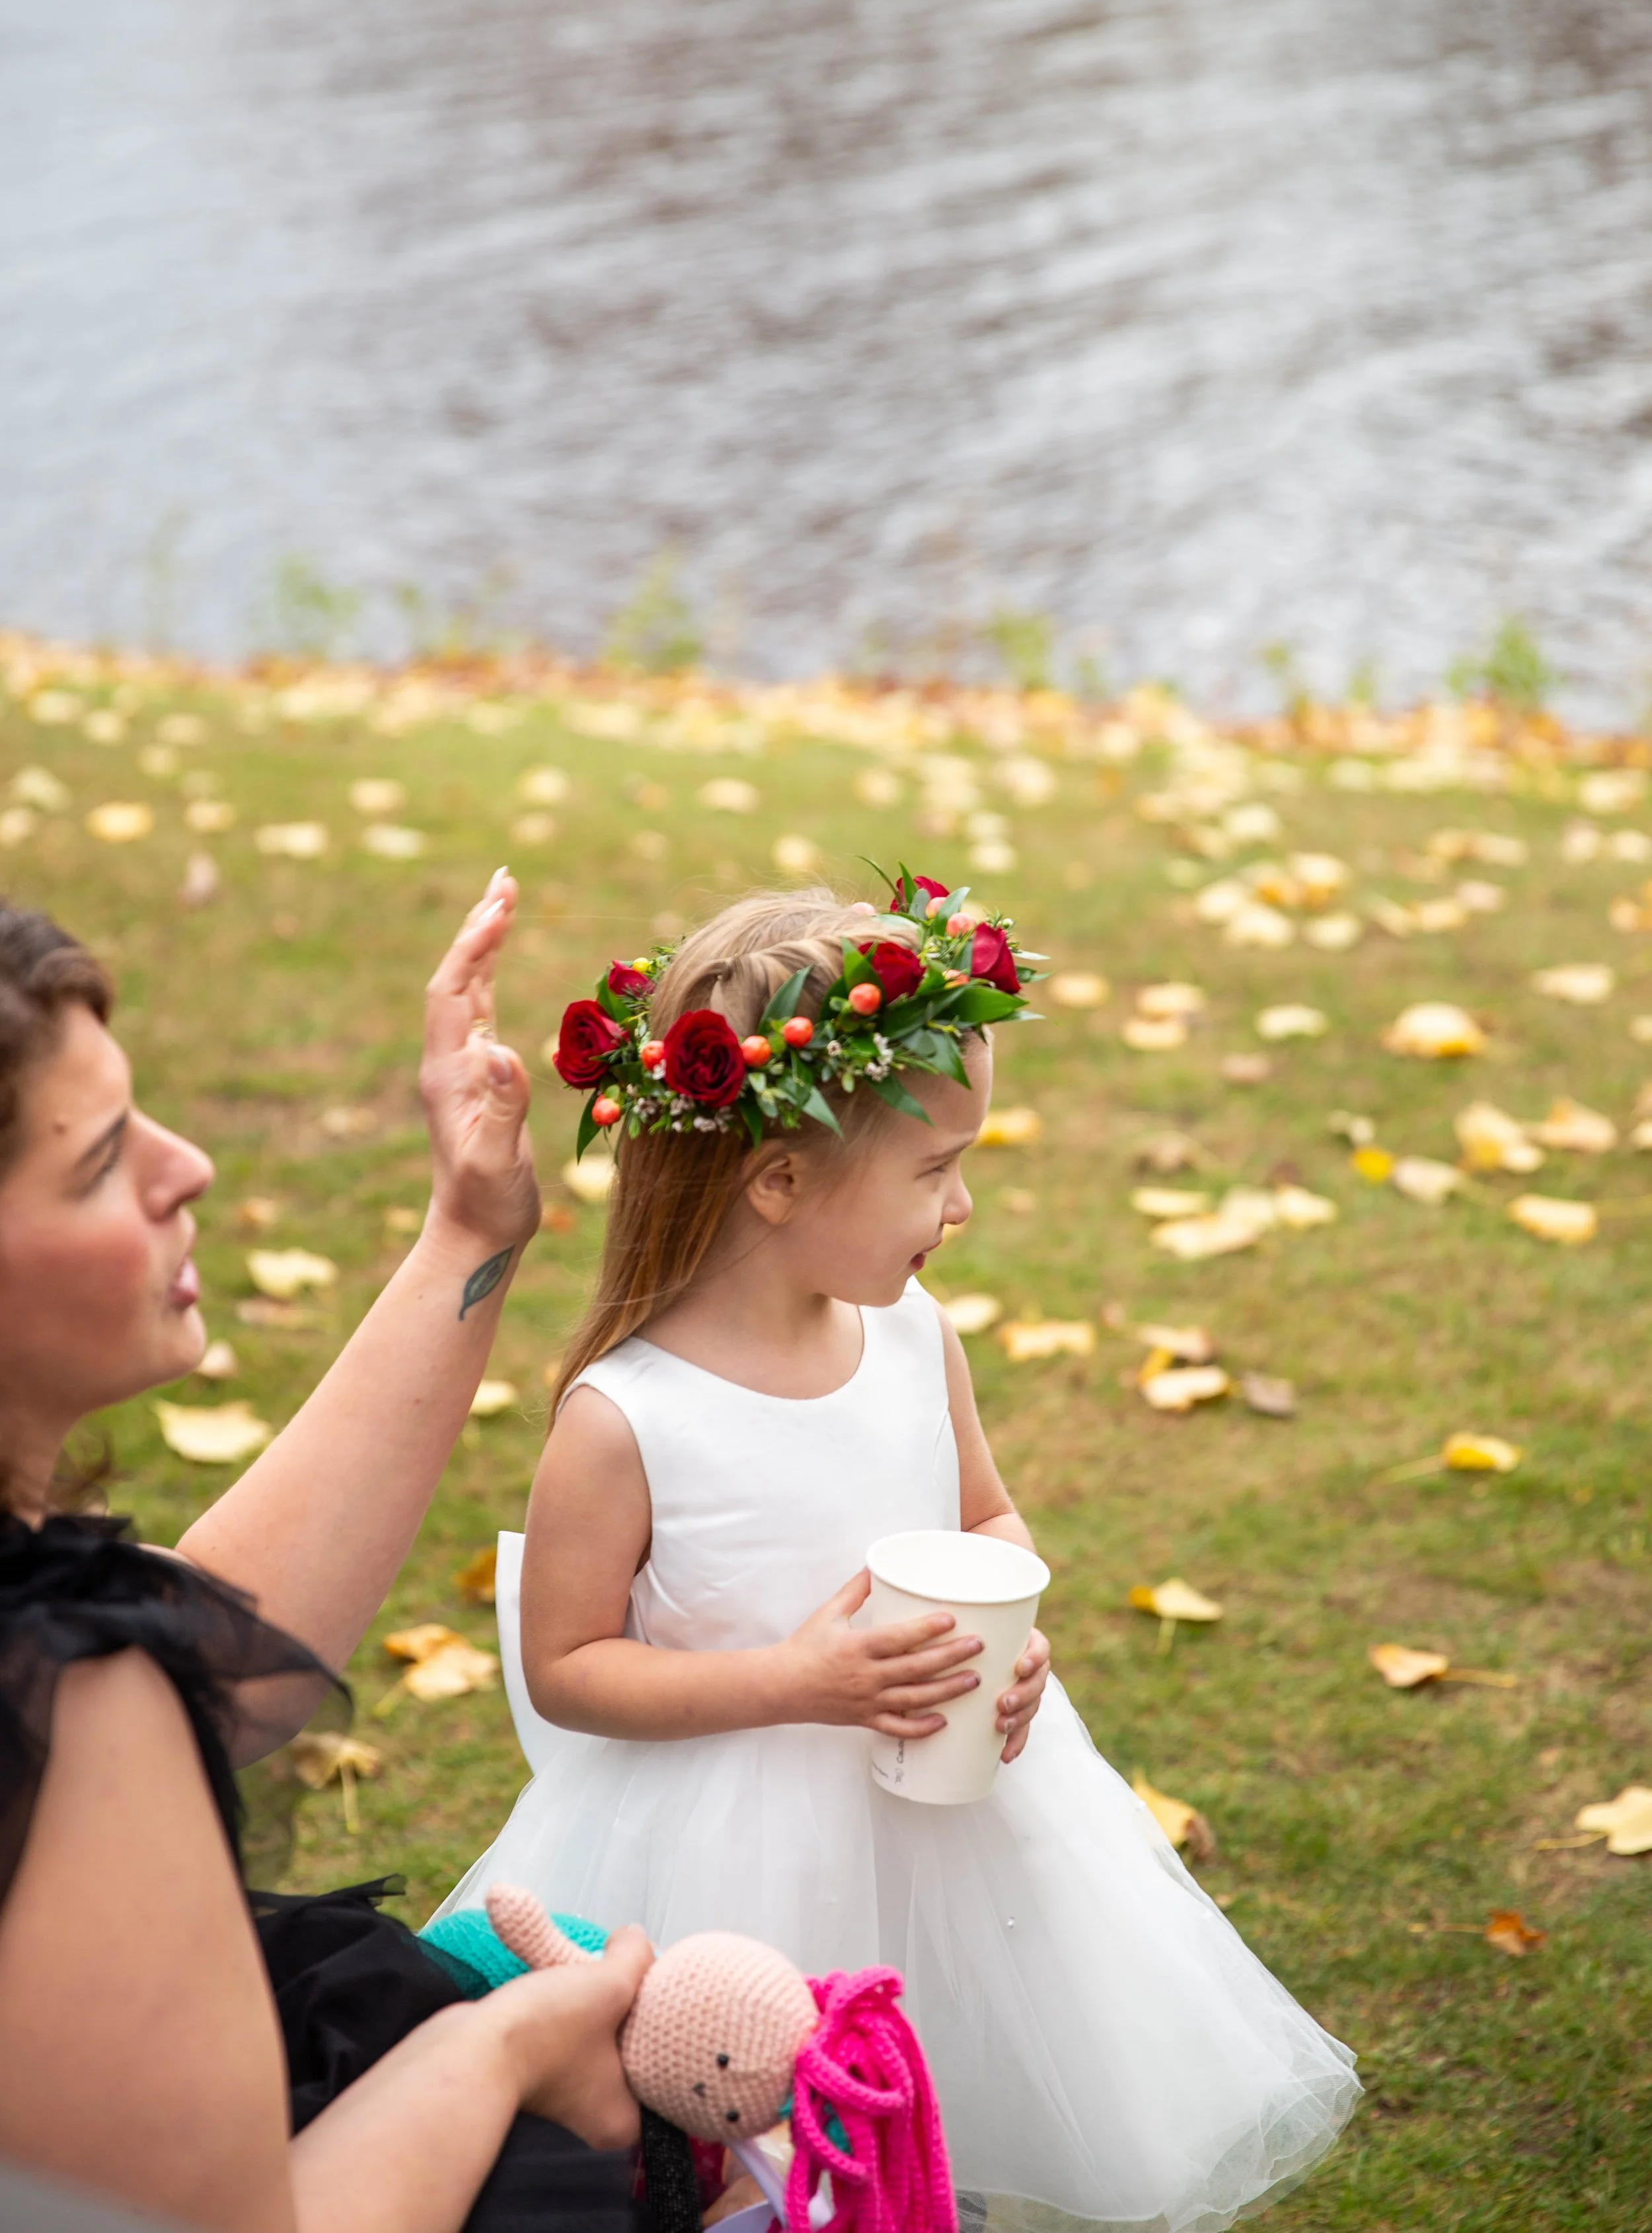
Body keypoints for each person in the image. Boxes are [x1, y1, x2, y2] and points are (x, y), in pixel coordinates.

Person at [434, 876, 1360, 2233]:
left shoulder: (916, 1336)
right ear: (779, 1177)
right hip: (726, 1846)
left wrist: (1013, 1626)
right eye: (932, 1171)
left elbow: (983, 1514)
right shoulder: (629, 1416)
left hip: (946, 1805)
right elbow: (569, 1669)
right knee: (735, 2130)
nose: (963, 1205)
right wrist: (795, 1681)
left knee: (955, 2059)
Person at [0, 881, 654, 2233]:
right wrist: (506, 2045)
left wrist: (469, 1234)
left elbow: (216, 1665)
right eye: (102, 1159)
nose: (189, 1167)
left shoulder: (71, 1664)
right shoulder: (69, 1695)